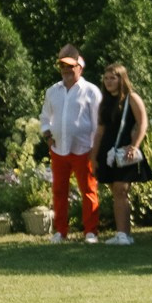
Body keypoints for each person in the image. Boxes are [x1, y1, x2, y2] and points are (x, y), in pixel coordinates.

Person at [39, 44, 102, 244]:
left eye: (70, 66)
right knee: (59, 191)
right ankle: (60, 231)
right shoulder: (52, 91)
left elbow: (98, 123)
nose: (65, 70)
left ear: (79, 67)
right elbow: (44, 117)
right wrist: (48, 136)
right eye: (62, 66)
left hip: (84, 149)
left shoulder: (91, 91)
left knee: (88, 191)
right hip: (59, 149)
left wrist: (95, 149)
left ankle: (90, 232)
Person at [92, 64, 152, 246]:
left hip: (125, 149)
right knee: (116, 192)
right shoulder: (104, 102)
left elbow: (143, 123)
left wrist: (134, 146)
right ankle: (122, 233)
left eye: (113, 78)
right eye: (106, 78)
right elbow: (100, 131)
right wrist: (93, 156)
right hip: (108, 151)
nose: (109, 81)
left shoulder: (132, 98)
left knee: (121, 189)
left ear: (121, 79)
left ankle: (124, 234)